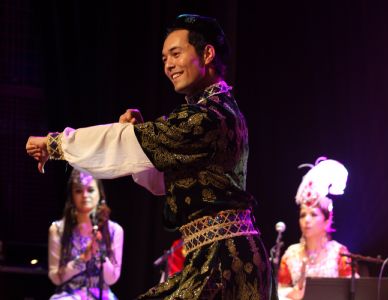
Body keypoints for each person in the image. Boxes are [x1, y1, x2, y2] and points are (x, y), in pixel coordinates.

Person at [26, 14, 276, 299]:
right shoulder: (217, 111)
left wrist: (56, 143)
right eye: (163, 58)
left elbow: (121, 143)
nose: (168, 65)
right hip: (219, 255)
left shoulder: (208, 117)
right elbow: (162, 182)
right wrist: (145, 143)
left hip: (226, 259)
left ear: (207, 54)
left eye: (176, 54)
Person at [277, 158, 354, 300]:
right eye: (302, 215)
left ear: (327, 220)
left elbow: (354, 291)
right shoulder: (291, 254)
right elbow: (278, 291)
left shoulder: (339, 253)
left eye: (313, 214)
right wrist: (290, 294)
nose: (306, 220)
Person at [48, 168, 123, 299]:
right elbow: (56, 277)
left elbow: (112, 279)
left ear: (100, 193)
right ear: (72, 195)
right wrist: (83, 257)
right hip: (68, 295)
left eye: (90, 190)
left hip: (102, 294)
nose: (84, 195)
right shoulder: (58, 229)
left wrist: (99, 254)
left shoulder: (114, 230)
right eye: (78, 190)